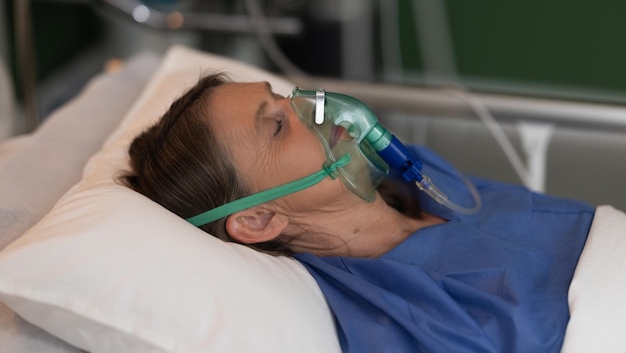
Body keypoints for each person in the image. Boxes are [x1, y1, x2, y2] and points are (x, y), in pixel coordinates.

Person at [122, 73, 594, 353]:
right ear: (259, 220)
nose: (317, 109)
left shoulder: (418, 173)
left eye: (288, 95)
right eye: (278, 126)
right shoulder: (390, 319)